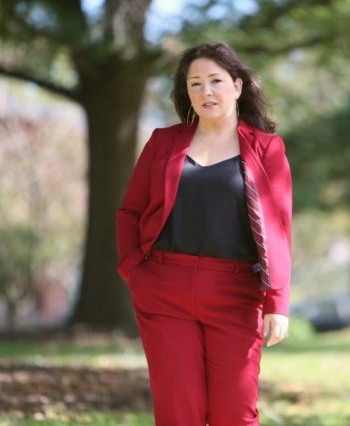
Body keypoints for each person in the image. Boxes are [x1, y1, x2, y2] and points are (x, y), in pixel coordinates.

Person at [115, 42, 292, 426]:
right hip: (164, 289)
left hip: (235, 293)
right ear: (186, 93)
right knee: (180, 412)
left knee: (236, 411)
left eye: (215, 81)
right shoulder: (164, 142)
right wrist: (135, 270)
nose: (206, 92)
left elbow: (279, 227)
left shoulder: (266, 149)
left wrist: (277, 302)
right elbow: (130, 211)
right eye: (195, 84)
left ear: (238, 86)